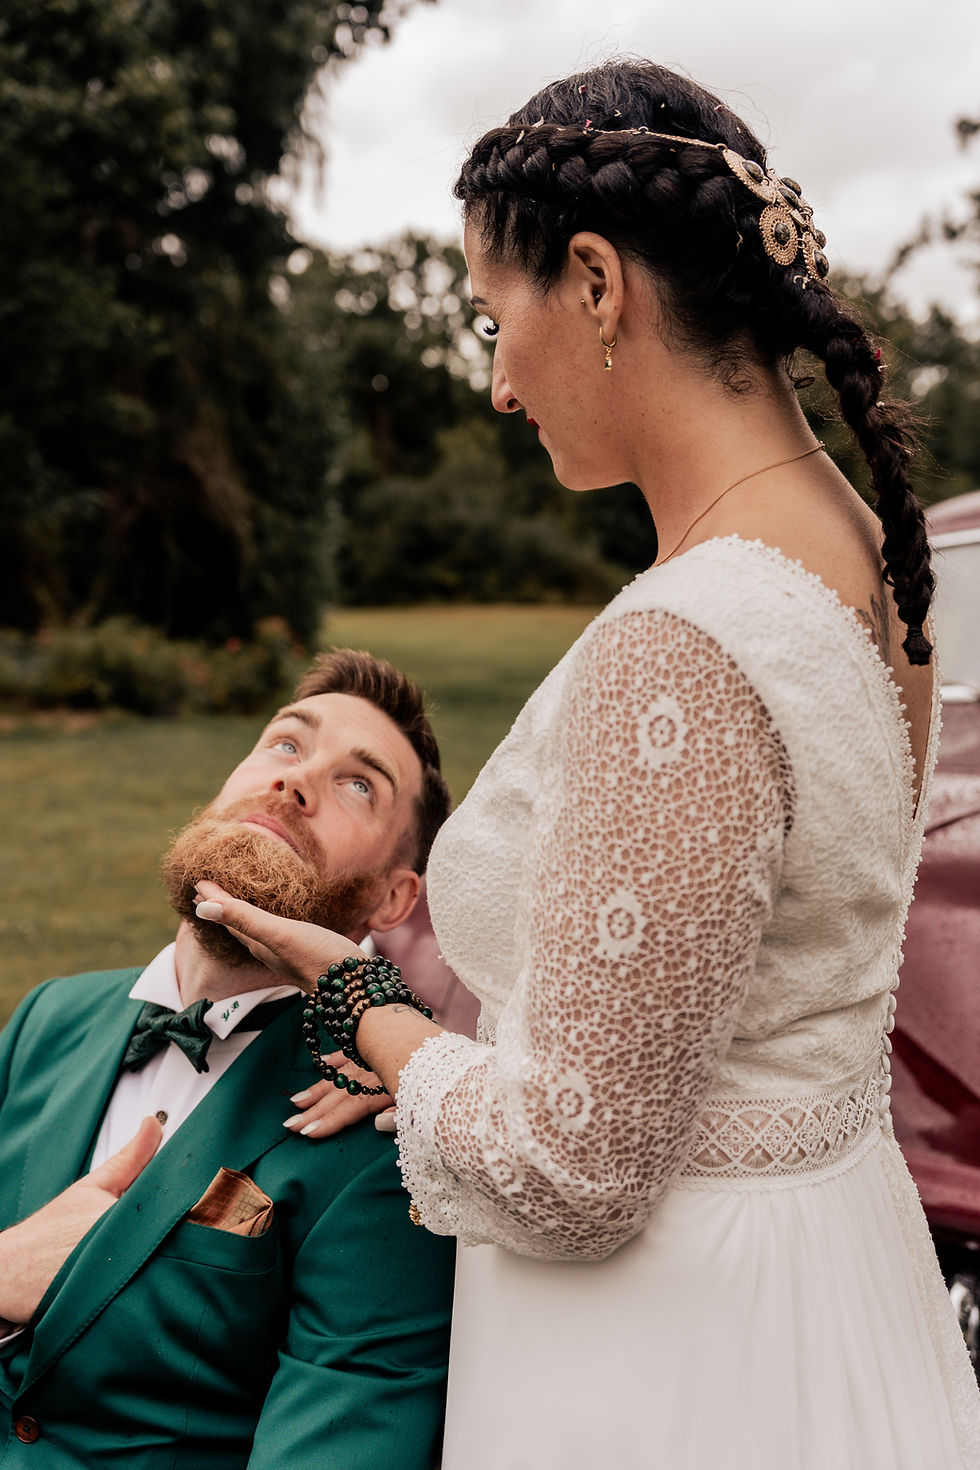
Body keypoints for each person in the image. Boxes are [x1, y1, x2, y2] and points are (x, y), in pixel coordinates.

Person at [192, 61, 980, 1469]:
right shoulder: (873, 567)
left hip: (672, 1358)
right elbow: (727, 1001)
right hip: (827, 1272)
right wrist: (460, 1067)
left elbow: (578, 1167)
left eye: (499, 318)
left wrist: (363, 1002)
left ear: (600, 283)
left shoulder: (684, 639)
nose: (495, 381)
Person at [0, 648, 456, 1468]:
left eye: (360, 783)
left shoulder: (380, 1135)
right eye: (286, 743)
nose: (295, 781)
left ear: (393, 898)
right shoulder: (47, 1018)